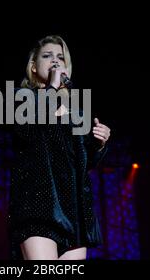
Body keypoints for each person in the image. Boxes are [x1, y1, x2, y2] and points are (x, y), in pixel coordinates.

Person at [7, 35, 111, 260]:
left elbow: (83, 164)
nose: (55, 61)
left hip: (73, 211)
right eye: (47, 56)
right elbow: (26, 131)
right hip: (38, 207)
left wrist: (100, 145)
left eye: (60, 57)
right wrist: (52, 87)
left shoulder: (76, 113)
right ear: (33, 67)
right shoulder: (22, 98)